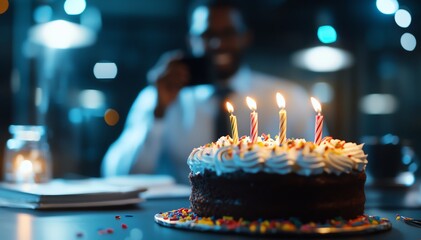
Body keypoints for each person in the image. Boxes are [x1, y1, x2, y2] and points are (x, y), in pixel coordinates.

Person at [102, 0, 315, 183]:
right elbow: (118, 173)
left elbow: (316, 165)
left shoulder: (291, 99)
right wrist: (158, 112)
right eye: (207, 34)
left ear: (246, 37)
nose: (217, 43)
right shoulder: (159, 98)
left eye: (228, 33)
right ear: (191, 40)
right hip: (185, 220)